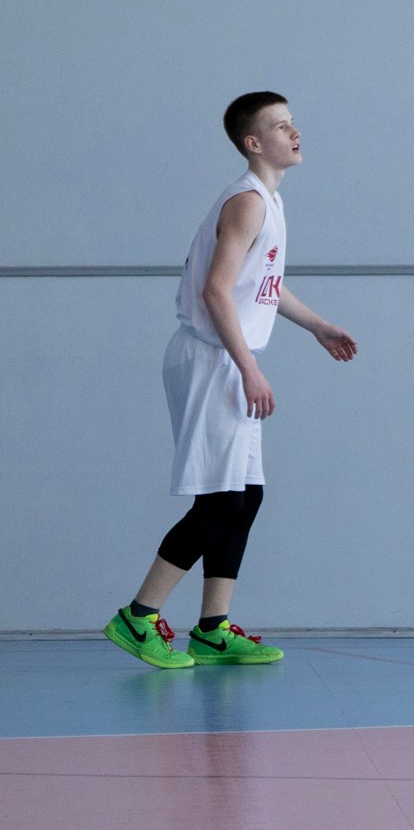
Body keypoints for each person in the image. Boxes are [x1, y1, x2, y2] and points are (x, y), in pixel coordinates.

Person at [104, 93, 357, 670]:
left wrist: (316, 325)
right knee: (221, 500)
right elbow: (216, 292)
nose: (295, 132)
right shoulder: (246, 202)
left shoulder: (268, 201)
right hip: (212, 358)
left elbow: (260, 283)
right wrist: (249, 368)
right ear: (253, 143)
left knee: (245, 497)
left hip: (226, 356)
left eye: (294, 123)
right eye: (281, 126)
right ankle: (137, 617)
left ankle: (212, 628)